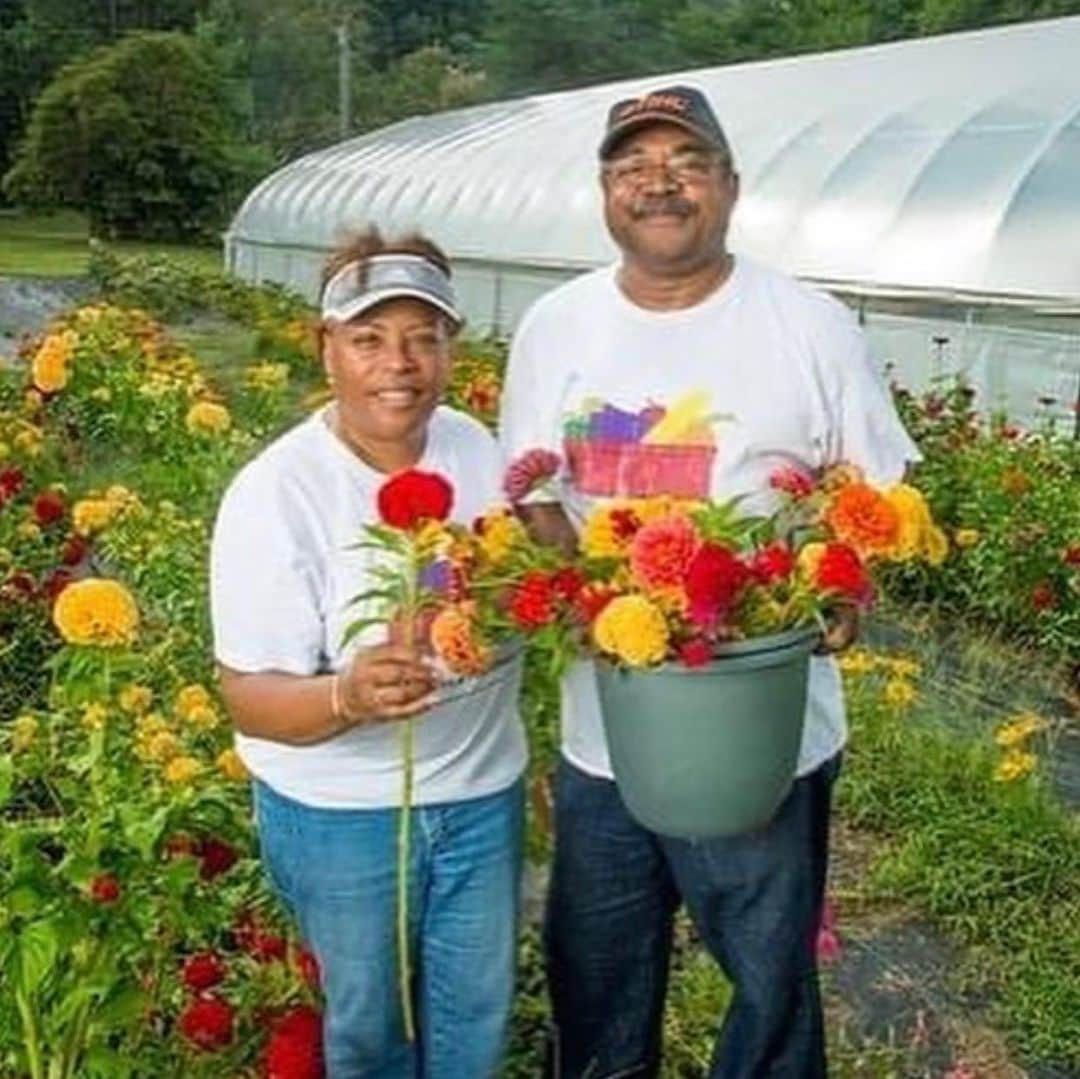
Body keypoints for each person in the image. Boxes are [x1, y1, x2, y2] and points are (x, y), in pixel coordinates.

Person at [499, 85, 920, 1078]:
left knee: (770, 984)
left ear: (728, 185)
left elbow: (880, 488)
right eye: (631, 164)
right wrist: (582, 591)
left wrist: (843, 586)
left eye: (684, 161)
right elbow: (534, 491)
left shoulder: (806, 323)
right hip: (609, 732)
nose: (658, 182)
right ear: (604, 191)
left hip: (763, 734)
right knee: (596, 975)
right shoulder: (556, 327)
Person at [210, 228, 526, 1078]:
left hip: (481, 797)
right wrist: (348, 694)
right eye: (369, 338)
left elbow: (529, 581)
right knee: (368, 1030)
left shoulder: (478, 451)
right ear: (326, 348)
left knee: (476, 1015)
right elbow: (248, 696)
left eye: (425, 337)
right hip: (340, 815)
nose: (401, 362)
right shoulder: (278, 493)